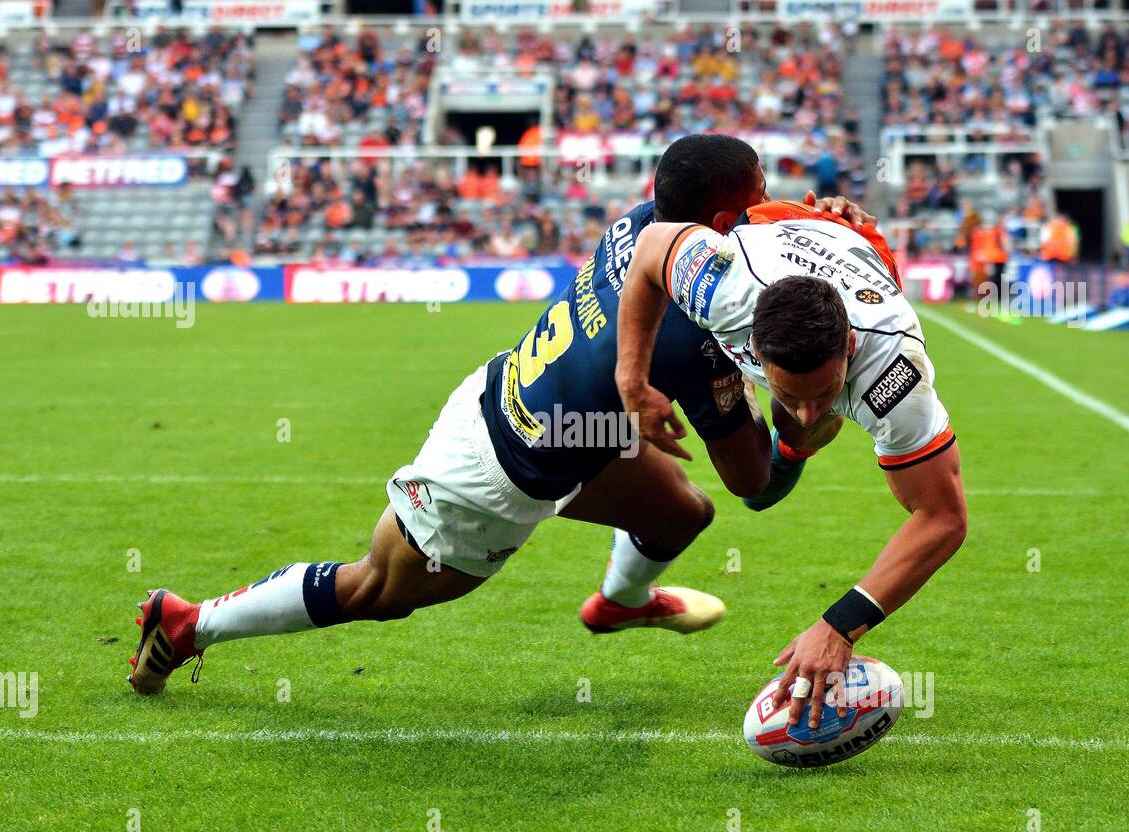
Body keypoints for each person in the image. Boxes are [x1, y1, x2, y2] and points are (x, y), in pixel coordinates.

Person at [127, 135, 874, 694]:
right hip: (489, 475)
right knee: (372, 590)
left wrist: (821, 225)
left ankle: (617, 604)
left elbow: (752, 245)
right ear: (719, 217)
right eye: (759, 198)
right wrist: (804, 432)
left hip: (563, 422)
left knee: (680, 511)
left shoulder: (644, 224)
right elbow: (757, 482)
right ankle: (190, 622)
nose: (770, 207)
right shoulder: (694, 333)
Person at [613, 200, 968, 731]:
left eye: (826, 391)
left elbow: (943, 518)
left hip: (854, 253)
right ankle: (785, 448)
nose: (809, 406)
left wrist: (841, 626)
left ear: (848, 348)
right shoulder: (722, 287)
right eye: (789, 392)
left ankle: (793, 448)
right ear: (753, 347)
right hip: (772, 236)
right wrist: (632, 380)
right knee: (758, 479)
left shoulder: (894, 375)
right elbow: (650, 247)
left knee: (789, 450)